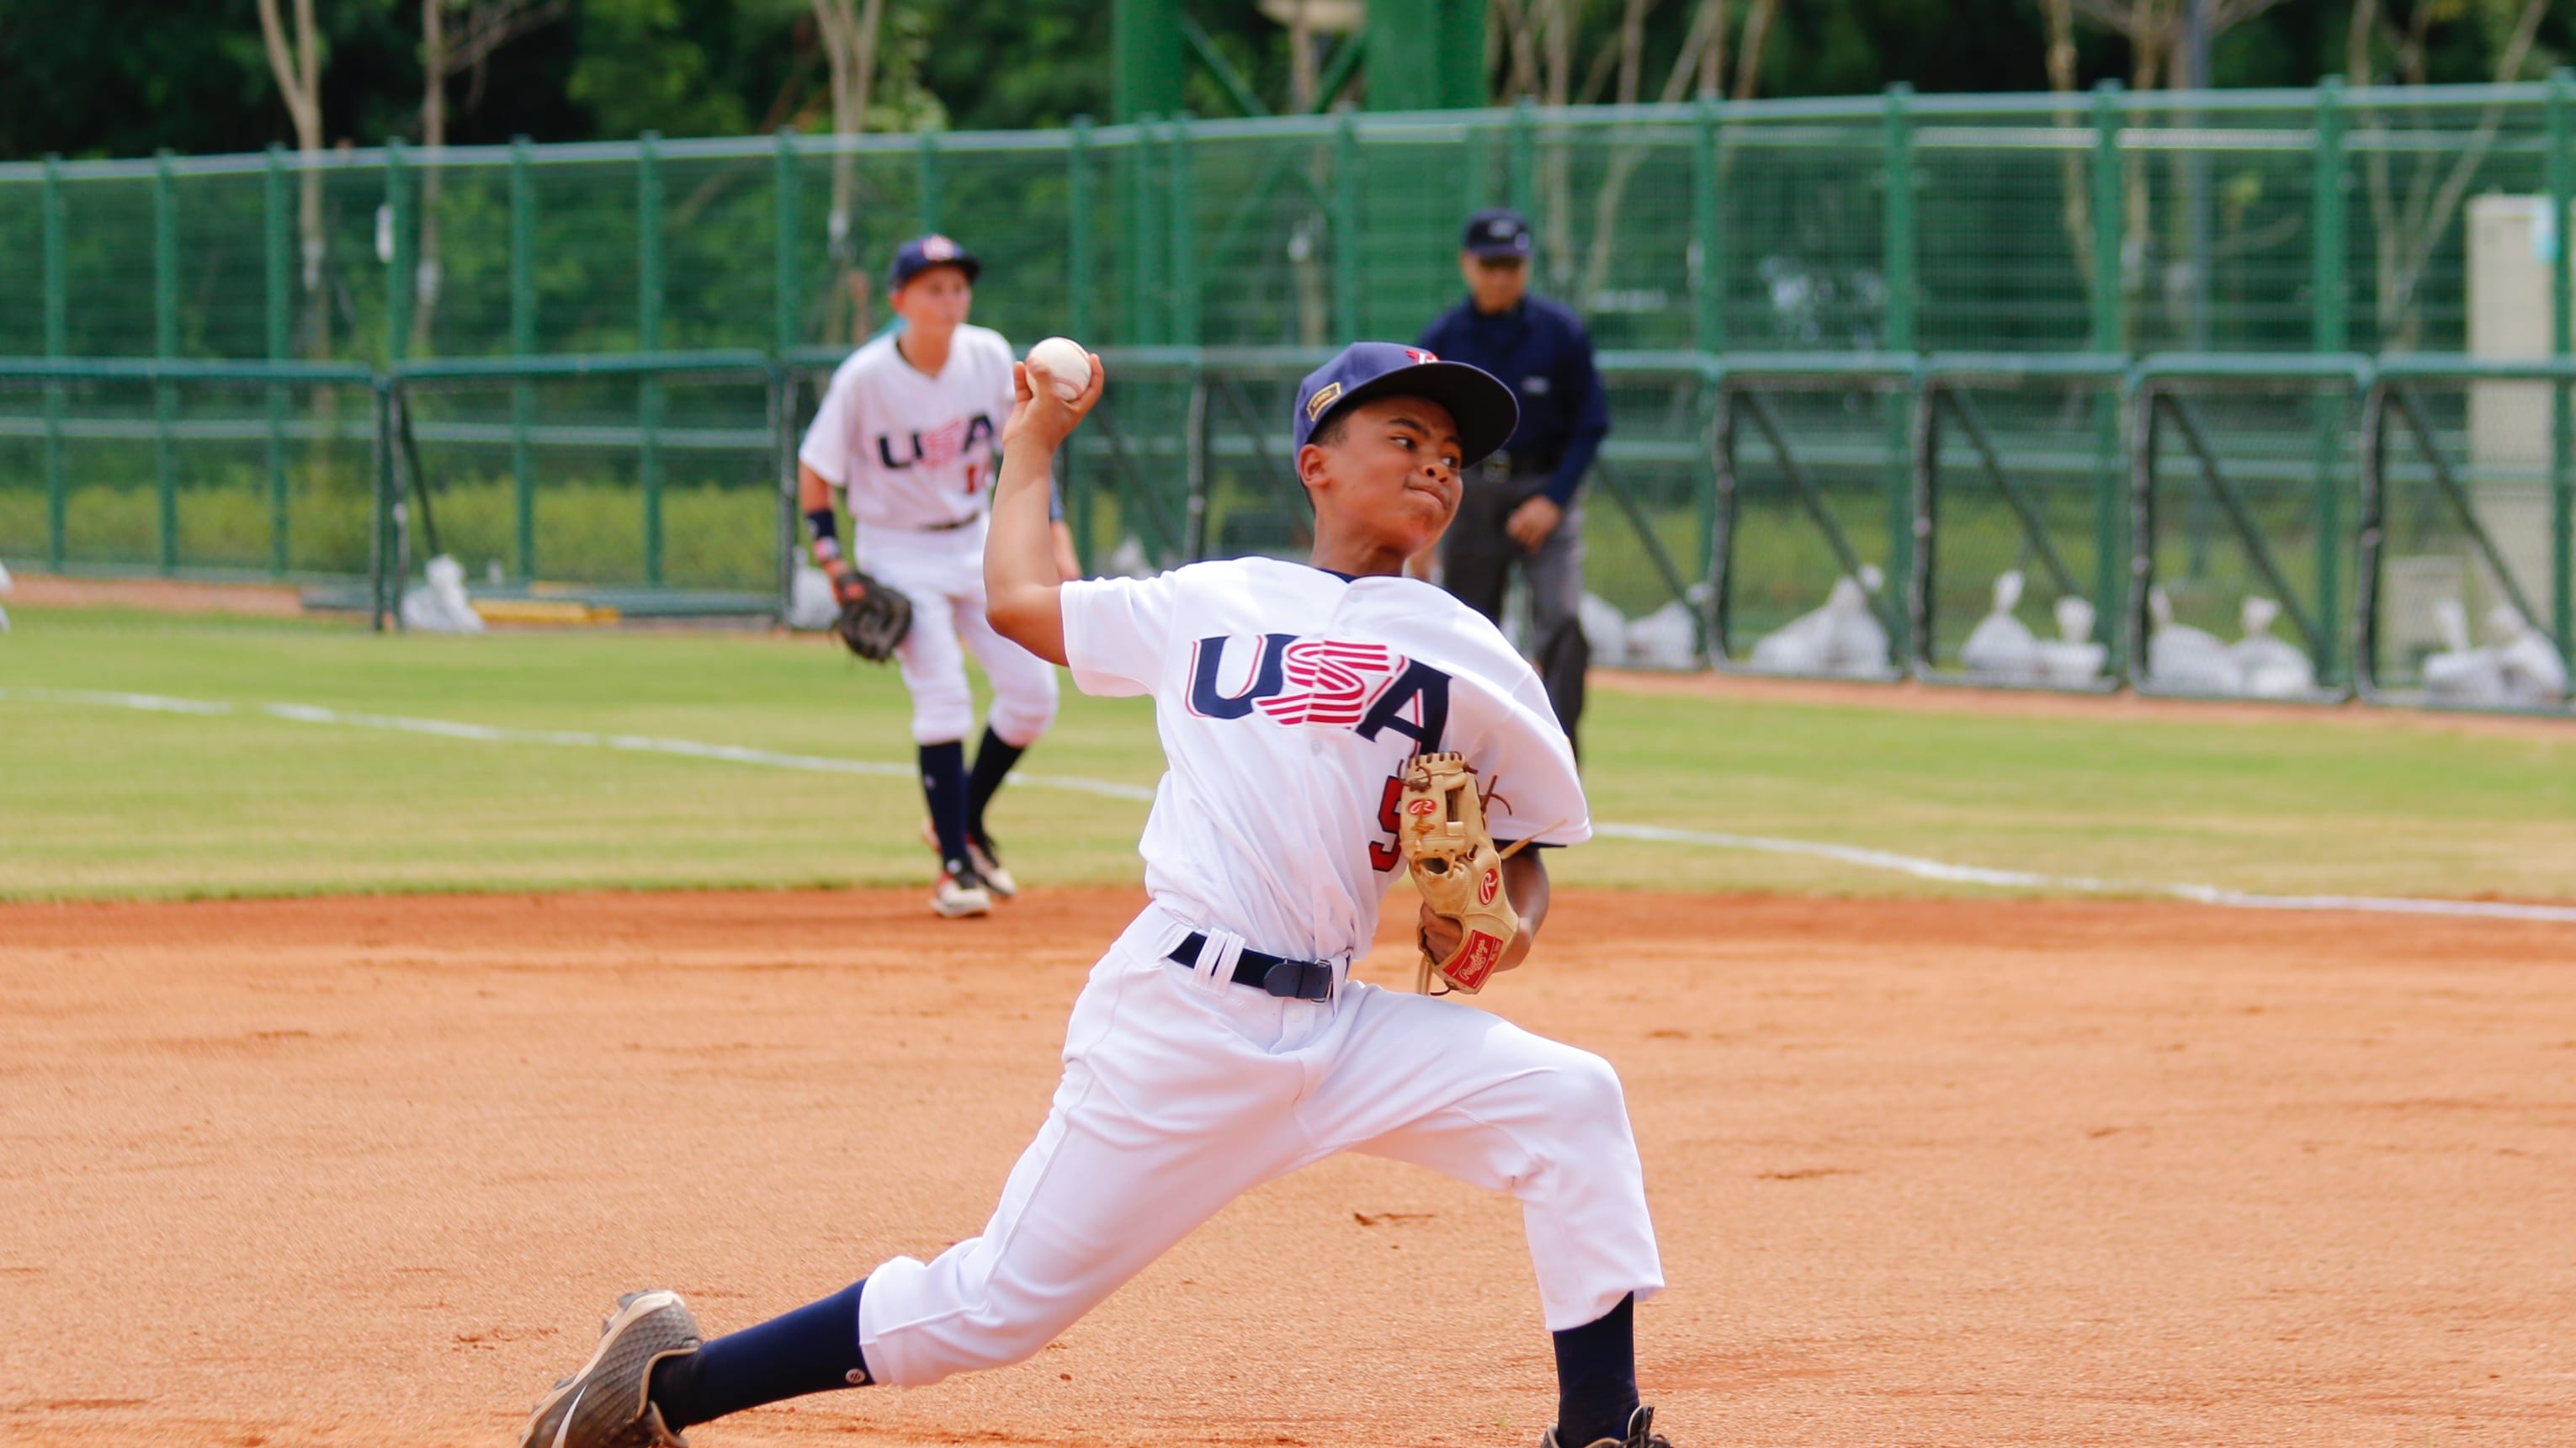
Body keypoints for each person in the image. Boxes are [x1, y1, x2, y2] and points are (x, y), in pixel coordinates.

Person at [512, 342, 1672, 1448]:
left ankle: (1597, 1428)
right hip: (1186, 1013)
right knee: (994, 1306)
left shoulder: (1471, 651)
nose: (1436, 463)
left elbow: (1522, 852)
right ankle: (665, 1387)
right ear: (1315, 461)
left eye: (1453, 455)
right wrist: (1033, 443)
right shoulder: (1211, 600)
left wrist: (1503, 931)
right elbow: (1019, 598)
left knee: (1571, 1100)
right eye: (1406, 434)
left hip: (1343, 1023)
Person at [795, 234, 1081, 918]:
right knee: (943, 694)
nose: (949, 300)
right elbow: (815, 471)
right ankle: (953, 864)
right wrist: (835, 564)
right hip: (896, 550)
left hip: (975, 542)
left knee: (1032, 693)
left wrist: (1056, 538)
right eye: (932, 288)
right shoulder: (863, 378)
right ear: (898, 301)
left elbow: (1027, 446)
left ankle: (962, 824)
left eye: (957, 286)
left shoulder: (987, 353)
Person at [1415, 208, 1610, 757]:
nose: (1501, 275)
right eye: (1490, 263)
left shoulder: (1560, 332)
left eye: (1512, 263)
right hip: (1470, 491)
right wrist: (1427, 524)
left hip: (1544, 486)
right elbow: (1423, 432)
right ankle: (1461, 760)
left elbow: (1590, 425)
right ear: (1466, 265)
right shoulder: (1443, 337)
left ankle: (1558, 756)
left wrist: (1553, 500)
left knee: (1563, 620)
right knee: (1465, 629)